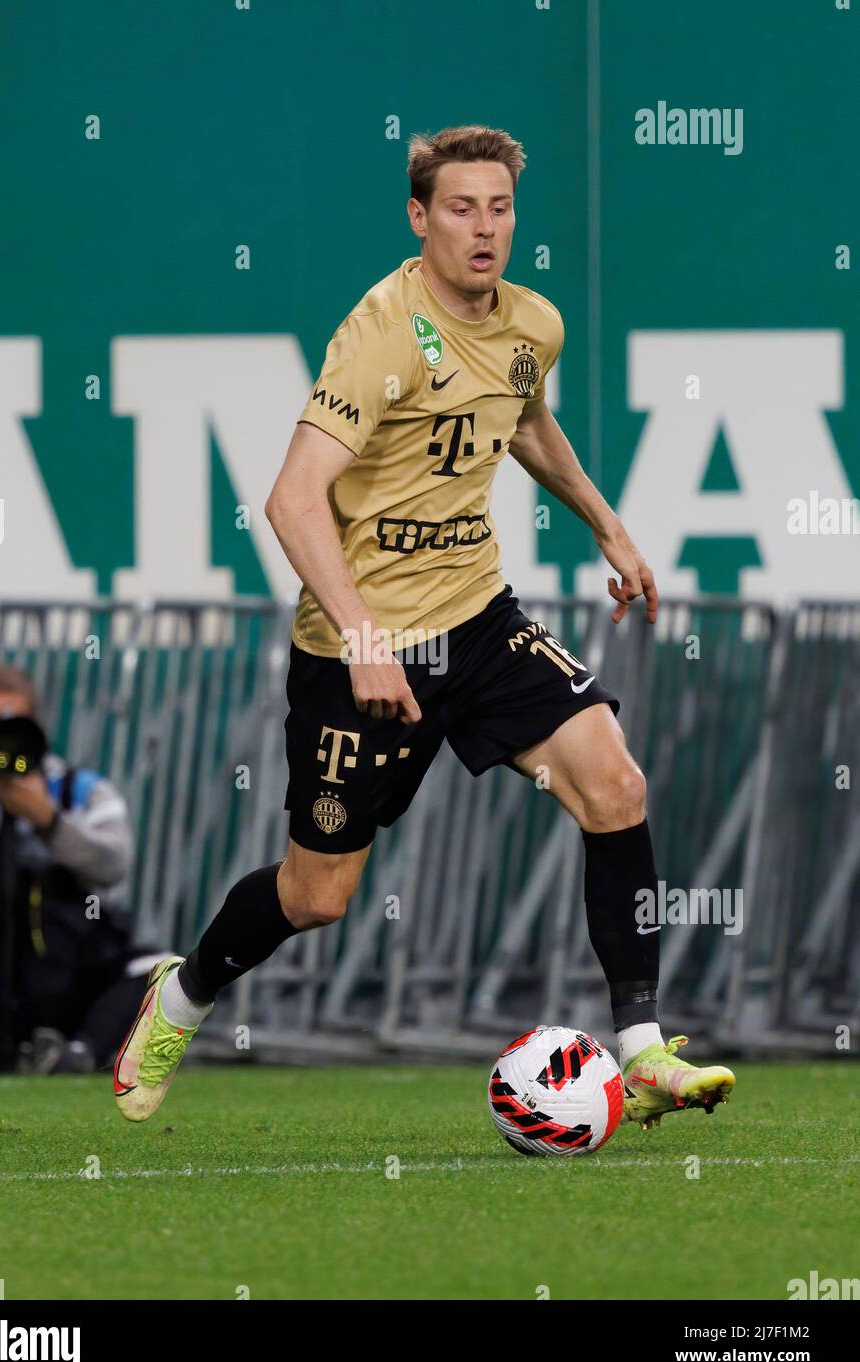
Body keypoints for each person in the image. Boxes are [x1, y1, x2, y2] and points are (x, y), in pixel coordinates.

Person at [114, 125, 735, 1131]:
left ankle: (643, 1049)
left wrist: (607, 525)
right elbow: (290, 498)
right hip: (357, 648)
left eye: (498, 208)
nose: (484, 229)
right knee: (317, 896)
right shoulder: (382, 334)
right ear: (418, 217)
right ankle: (182, 996)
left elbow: (522, 415)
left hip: (478, 617)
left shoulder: (533, 321)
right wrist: (362, 636)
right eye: (460, 208)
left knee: (615, 782)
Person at [0, 663, 152, 1074]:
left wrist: (48, 822)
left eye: (9, 725)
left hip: (57, 975)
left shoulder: (78, 789)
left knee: (157, 970)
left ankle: (76, 1053)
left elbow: (114, 863)